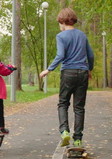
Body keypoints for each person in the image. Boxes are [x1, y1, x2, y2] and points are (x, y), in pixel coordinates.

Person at [39, 8, 94, 148]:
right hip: (82, 73)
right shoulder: (82, 35)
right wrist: (89, 69)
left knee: (63, 103)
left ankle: (64, 131)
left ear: (63, 22)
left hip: (68, 73)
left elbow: (60, 55)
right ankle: (78, 140)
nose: (59, 26)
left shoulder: (61, 36)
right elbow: (91, 55)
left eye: (59, 23)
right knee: (79, 107)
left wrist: (48, 69)